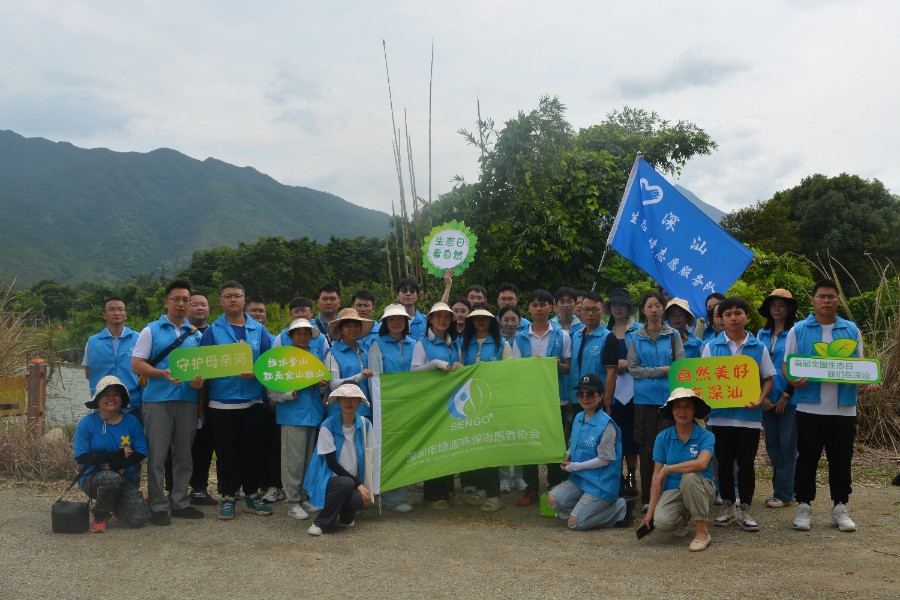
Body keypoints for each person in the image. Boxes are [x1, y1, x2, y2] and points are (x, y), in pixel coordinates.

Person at [785, 279, 880, 532]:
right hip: (809, 407)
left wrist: (868, 384)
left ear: (838, 300)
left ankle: (840, 506)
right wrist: (793, 380)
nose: (826, 300)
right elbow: (787, 365)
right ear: (813, 300)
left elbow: (860, 368)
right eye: (821, 296)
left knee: (841, 459)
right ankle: (804, 506)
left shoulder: (851, 330)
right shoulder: (798, 330)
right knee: (806, 459)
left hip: (844, 408)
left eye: (831, 296)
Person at [131, 279, 204, 526]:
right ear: (166, 302)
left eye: (186, 300)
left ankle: (181, 502)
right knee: (157, 456)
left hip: (187, 401)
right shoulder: (150, 330)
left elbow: (201, 369)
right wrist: (162, 373)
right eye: (177, 299)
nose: (182, 304)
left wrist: (198, 382)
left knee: (184, 455)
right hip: (157, 401)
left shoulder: (196, 334)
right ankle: (158, 506)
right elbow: (137, 364)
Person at [199, 281, 274, 520]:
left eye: (237, 296)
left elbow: (269, 364)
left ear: (244, 300)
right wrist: (198, 382)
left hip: (252, 402)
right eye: (228, 296)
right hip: (221, 402)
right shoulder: (212, 331)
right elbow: (202, 366)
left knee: (251, 450)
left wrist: (256, 373)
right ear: (220, 301)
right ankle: (228, 496)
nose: (233, 300)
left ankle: (251, 495)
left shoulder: (258, 330)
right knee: (226, 452)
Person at [701, 296, 775, 532]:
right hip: (720, 417)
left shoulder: (758, 347)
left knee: (745, 465)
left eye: (738, 313)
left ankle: (745, 509)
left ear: (747, 316)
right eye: (728, 314)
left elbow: (769, 378)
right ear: (720, 319)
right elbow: (703, 380)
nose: (733, 318)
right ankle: (726, 507)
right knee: (722, 464)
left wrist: (761, 400)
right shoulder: (711, 347)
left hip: (749, 419)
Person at [548, 373, 633, 530]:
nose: (585, 398)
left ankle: (620, 508)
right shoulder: (579, 417)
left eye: (590, 394)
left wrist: (575, 467)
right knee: (553, 499)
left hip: (601, 484)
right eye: (581, 393)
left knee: (576, 523)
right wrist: (568, 455)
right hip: (580, 479)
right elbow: (574, 445)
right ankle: (586, 508)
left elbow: (604, 460)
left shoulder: (607, 425)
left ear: (600, 396)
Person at [628, 291, 685, 511]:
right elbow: (633, 369)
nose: (653, 310)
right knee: (647, 448)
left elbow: (680, 367)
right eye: (649, 306)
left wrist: (665, 372)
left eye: (657, 306)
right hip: (644, 400)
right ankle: (647, 498)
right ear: (643, 309)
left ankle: (670, 495)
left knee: (670, 447)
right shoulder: (635, 336)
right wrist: (661, 371)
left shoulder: (673, 335)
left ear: (663, 309)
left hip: (670, 399)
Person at [641, 388, 716, 551]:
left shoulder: (706, 436)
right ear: (672, 411)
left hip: (702, 489)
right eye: (677, 407)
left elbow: (702, 463)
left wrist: (668, 469)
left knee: (689, 477)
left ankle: (702, 532)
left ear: (694, 410)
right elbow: (656, 477)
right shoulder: (663, 437)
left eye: (687, 406)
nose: (682, 411)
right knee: (661, 522)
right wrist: (650, 512)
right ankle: (684, 518)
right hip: (673, 490)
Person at [73, 375, 151, 532]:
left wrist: (117, 464)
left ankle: (116, 504)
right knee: (110, 478)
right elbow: (81, 457)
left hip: (127, 478)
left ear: (122, 398)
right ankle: (100, 515)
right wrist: (117, 454)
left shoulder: (132, 422)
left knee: (139, 518)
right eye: (106, 394)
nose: (111, 398)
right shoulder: (86, 423)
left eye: (115, 394)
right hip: (94, 478)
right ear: (98, 399)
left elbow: (141, 452)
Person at [269, 318, 328, 520]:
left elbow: (323, 387)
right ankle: (292, 501)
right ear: (291, 336)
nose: (302, 336)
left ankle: (303, 497)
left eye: (306, 333)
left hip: (313, 414)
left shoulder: (317, 356)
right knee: (292, 462)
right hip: (292, 415)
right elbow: (271, 388)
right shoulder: (282, 358)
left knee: (309, 461)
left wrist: (322, 385)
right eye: (298, 333)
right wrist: (287, 394)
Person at [517, 290, 572, 507]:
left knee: (553, 443)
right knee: (528, 442)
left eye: (543, 305)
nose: (538, 309)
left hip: (555, 398)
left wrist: (554, 365)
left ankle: (553, 487)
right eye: (534, 305)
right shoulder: (521, 337)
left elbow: (567, 368)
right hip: (529, 399)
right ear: (528, 308)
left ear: (551, 308)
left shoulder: (562, 336)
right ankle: (530, 487)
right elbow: (515, 369)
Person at [458, 305, 511, 512]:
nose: (480, 321)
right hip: (471, 406)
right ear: (471, 321)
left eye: (485, 318)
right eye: (476, 318)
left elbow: (511, 371)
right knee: (475, 447)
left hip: (493, 404)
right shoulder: (464, 345)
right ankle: (481, 489)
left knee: (491, 448)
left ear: (491, 321)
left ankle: (494, 494)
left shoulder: (502, 344)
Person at [304, 382, 374, 536]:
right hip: (331, 480)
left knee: (357, 498)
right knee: (346, 482)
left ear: (359, 401)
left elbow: (370, 456)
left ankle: (346, 518)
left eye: (353, 398)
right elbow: (332, 464)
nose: (348, 402)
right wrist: (359, 484)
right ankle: (321, 522)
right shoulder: (327, 426)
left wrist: (367, 486)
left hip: (351, 481)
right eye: (344, 398)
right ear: (338, 400)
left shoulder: (365, 424)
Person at [411, 302, 463, 508]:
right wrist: (433, 365)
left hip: (451, 402)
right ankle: (433, 495)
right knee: (434, 446)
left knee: (450, 446)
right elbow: (413, 372)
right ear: (430, 319)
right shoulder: (422, 343)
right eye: (438, 316)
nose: (442, 320)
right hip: (430, 402)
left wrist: (459, 367)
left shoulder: (454, 343)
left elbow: (458, 369)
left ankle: (449, 491)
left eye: (446, 317)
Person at [368, 303, 416, 512]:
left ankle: (402, 493)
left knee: (407, 448)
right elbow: (375, 379)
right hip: (388, 406)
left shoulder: (415, 344)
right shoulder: (376, 344)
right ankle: (393, 497)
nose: (396, 322)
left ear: (406, 322)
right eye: (391, 319)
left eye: (400, 319)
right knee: (391, 449)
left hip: (411, 405)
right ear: (385, 323)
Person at [757, 288, 799, 509]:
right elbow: (753, 367)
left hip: (789, 399)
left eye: (782, 305)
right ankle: (783, 488)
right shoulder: (761, 334)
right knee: (773, 444)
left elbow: (798, 366)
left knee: (788, 446)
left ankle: (784, 493)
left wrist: (786, 395)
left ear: (789, 308)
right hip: (766, 399)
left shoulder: (796, 333)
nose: (777, 309)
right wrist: (762, 396)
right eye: (773, 305)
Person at [246, 296, 283, 504]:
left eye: (261, 311)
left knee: (269, 442)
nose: (258, 314)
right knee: (254, 442)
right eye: (254, 310)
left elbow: (275, 368)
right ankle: (254, 482)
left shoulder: (271, 338)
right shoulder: (241, 338)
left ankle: (268, 482)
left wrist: (274, 396)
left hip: (268, 400)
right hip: (250, 399)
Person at [83, 297, 142, 418]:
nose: (116, 313)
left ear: (125, 314)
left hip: (133, 405)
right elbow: (89, 373)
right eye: (111, 309)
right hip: (103, 405)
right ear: (104, 315)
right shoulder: (93, 341)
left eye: (120, 309)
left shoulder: (139, 338)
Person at [605, 288, 640, 497]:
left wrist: (631, 362)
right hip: (610, 391)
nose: (618, 308)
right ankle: (616, 476)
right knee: (612, 435)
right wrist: (612, 362)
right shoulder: (603, 331)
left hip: (634, 392)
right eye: (614, 305)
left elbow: (646, 355)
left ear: (628, 308)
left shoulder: (639, 330)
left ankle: (631, 476)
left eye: (622, 304)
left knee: (631, 436)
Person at [186, 292, 216, 506]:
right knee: (178, 446)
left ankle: (199, 487)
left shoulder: (216, 332)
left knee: (205, 445)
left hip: (213, 398)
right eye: (195, 304)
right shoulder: (181, 332)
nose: (200, 308)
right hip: (184, 397)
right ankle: (174, 490)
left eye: (204, 305)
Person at [496, 304, 528, 493]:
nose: (510, 323)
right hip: (501, 393)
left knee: (520, 435)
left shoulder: (524, 339)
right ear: (500, 321)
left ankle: (520, 476)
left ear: (520, 321)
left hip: (521, 392)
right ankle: (504, 478)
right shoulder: (496, 341)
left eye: (513, 319)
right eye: (506, 319)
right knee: (502, 437)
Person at [324, 308, 375, 417]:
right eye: (348, 326)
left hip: (364, 410)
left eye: (356, 326)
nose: (353, 329)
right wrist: (360, 376)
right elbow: (333, 385)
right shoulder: (333, 354)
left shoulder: (364, 351)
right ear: (341, 329)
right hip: (340, 413)